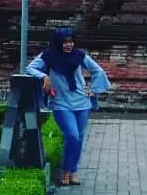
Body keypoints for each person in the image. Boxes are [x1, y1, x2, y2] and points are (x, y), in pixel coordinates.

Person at [25, 27, 110, 186]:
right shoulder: (48, 56)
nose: (68, 45)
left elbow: (98, 71)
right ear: (58, 43)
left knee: (79, 138)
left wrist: (93, 90)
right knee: (72, 135)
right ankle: (65, 171)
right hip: (61, 102)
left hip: (82, 102)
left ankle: (73, 171)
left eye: (71, 42)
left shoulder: (79, 55)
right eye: (64, 42)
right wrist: (44, 76)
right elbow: (29, 68)